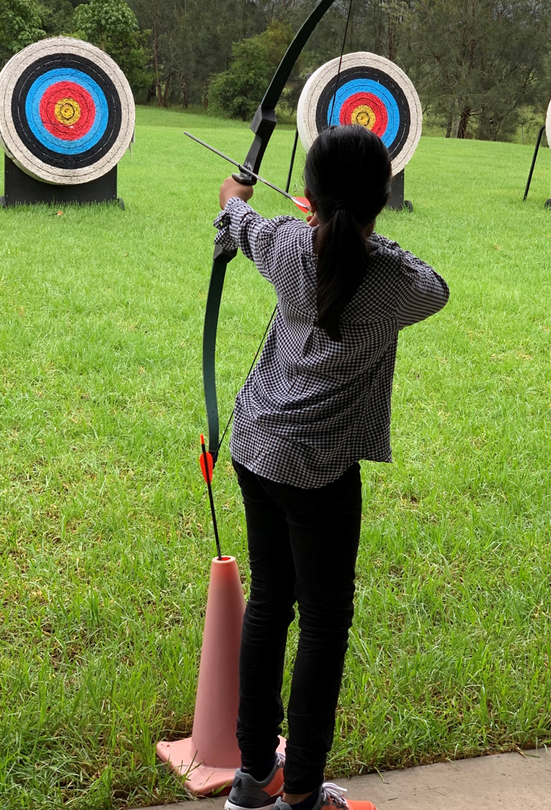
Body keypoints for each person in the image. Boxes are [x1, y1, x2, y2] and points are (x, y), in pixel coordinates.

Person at [214, 125, 449, 810]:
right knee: (322, 623)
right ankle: (303, 794)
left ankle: (256, 777)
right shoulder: (396, 281)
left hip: (257, 446)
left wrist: (242, 200)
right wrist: (354, 228)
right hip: (320, 474)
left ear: (308, 195)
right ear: (384, 198)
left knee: (269, 602)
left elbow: (236, 214)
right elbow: (436, 287)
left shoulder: (286, 244)